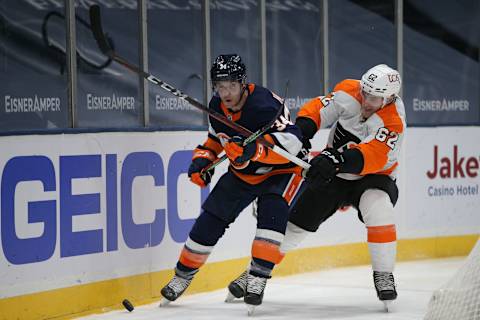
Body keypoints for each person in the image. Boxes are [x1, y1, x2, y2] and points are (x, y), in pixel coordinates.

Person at [227, 64, 406, 308]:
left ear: (390, 98)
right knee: (295, 226)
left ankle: (384, 274)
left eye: (374, 98)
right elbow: (319, 111)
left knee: (379, 206)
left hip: (373, 177)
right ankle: (254, 271)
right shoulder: (349, 91)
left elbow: (373, 155)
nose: (366, 101)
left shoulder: (394, 121)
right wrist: (299, 133)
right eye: (365, 93)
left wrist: (337, 160)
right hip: (333, 175)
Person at [160, 54, 304, 313]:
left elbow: (294, 142)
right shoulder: (216, 106)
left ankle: (257, 279)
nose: (225, 92)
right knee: (210, 220)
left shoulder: (265, 105)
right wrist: (202, 162)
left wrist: (256, 151)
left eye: (231, 86)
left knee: (272, 215)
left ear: (243, 84)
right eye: (220, 86)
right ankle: (182, 276)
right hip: (243, 174)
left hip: (282, 171)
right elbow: (215, 141)